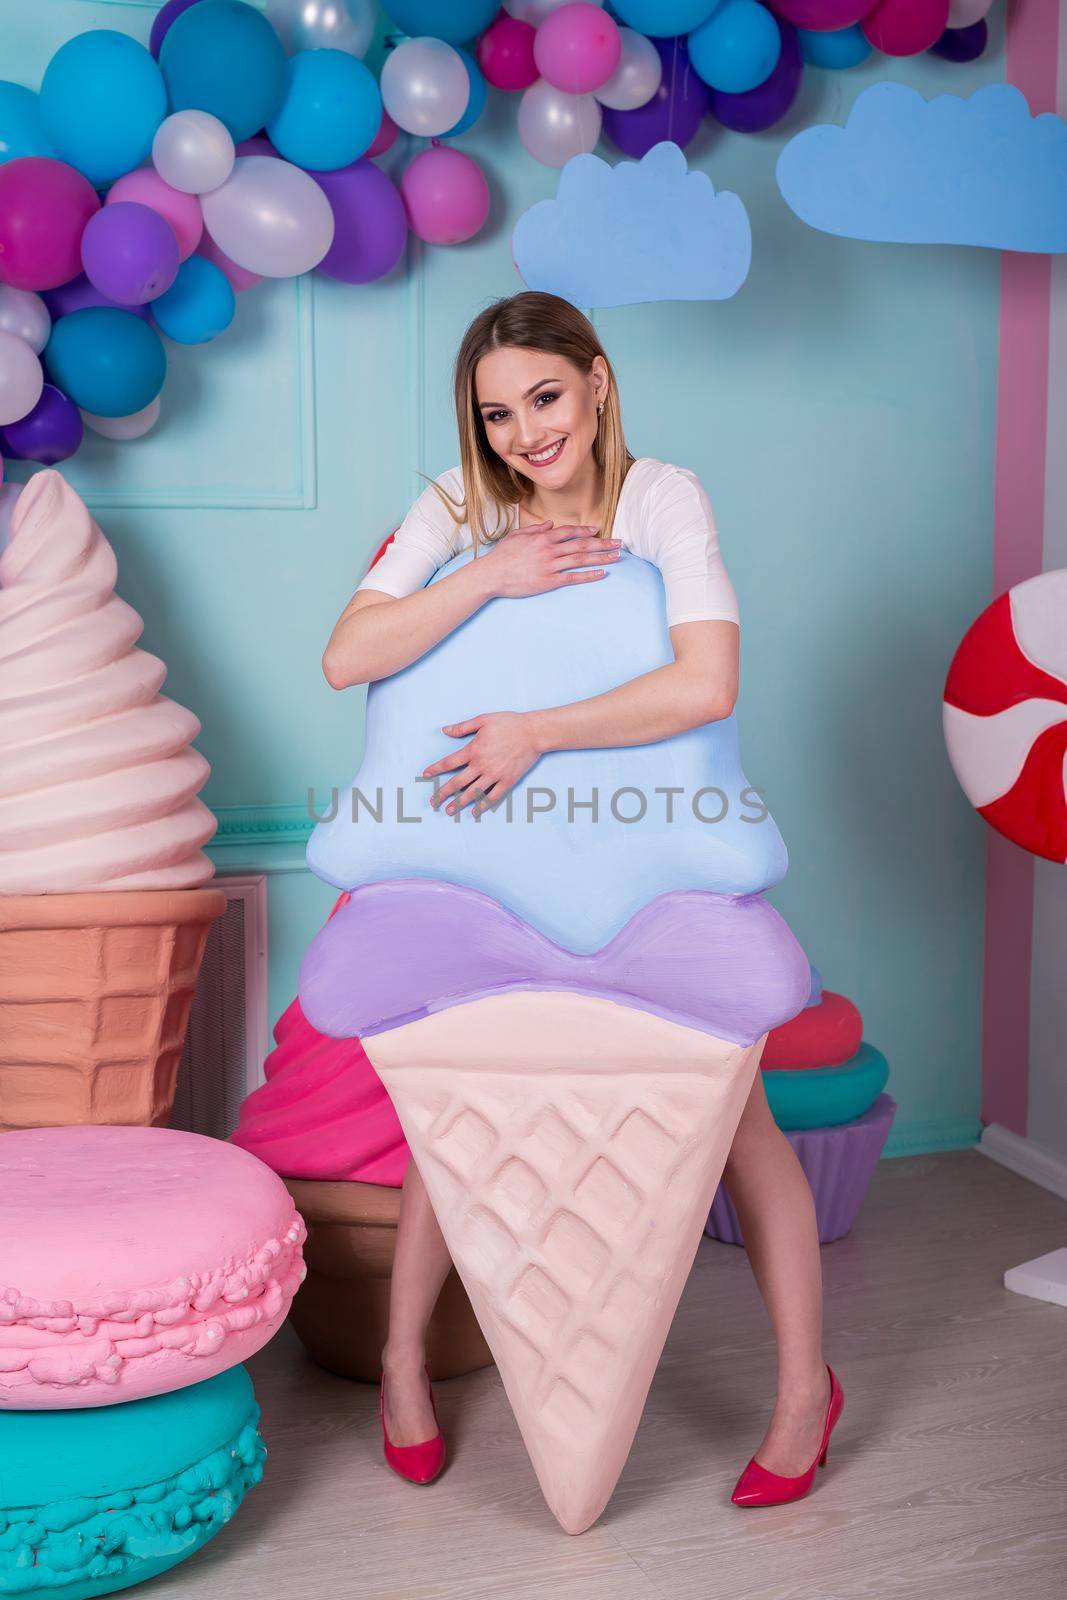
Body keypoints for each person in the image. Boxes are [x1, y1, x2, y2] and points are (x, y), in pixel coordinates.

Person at [321, 290, 842, 1508]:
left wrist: (536, 734)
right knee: (447, 1111)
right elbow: (352, 654)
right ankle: (402, 1364)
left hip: (648, 872)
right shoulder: (460, 503)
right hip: (477, 879)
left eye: (544, 398)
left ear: (596, 383)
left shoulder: (662, 497)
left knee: (740, 1121)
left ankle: (804, 1392)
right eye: (496, 413)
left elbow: (705, 683)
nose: (523, 435)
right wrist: (488, 574)